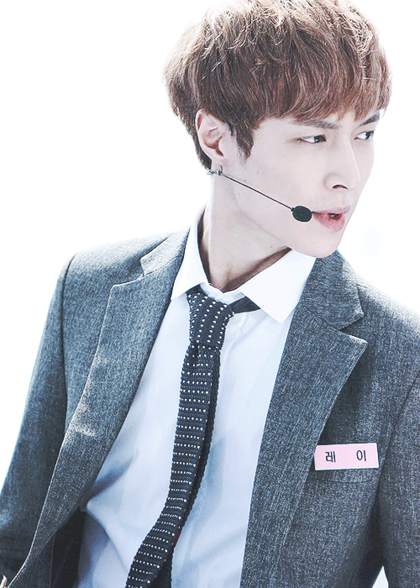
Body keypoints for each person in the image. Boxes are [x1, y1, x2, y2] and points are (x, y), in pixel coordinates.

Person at [1, 0, 419, 586]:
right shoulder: (90, 287)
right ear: (216, 138)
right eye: (313, 137)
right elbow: (20, 536)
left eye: (365, 133)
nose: (348, 174)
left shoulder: (399, 354)